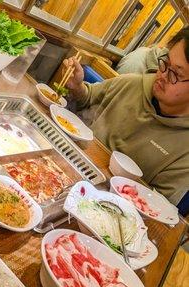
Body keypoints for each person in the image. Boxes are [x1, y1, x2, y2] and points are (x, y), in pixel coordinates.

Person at [64, 27, 189, 213]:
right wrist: (78, 87)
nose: (162, 74)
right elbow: (88, 99)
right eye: (165, 62)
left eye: (176, 74)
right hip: (69, 164)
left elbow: (158, 207)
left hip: (108, 210)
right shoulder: (134, 83)